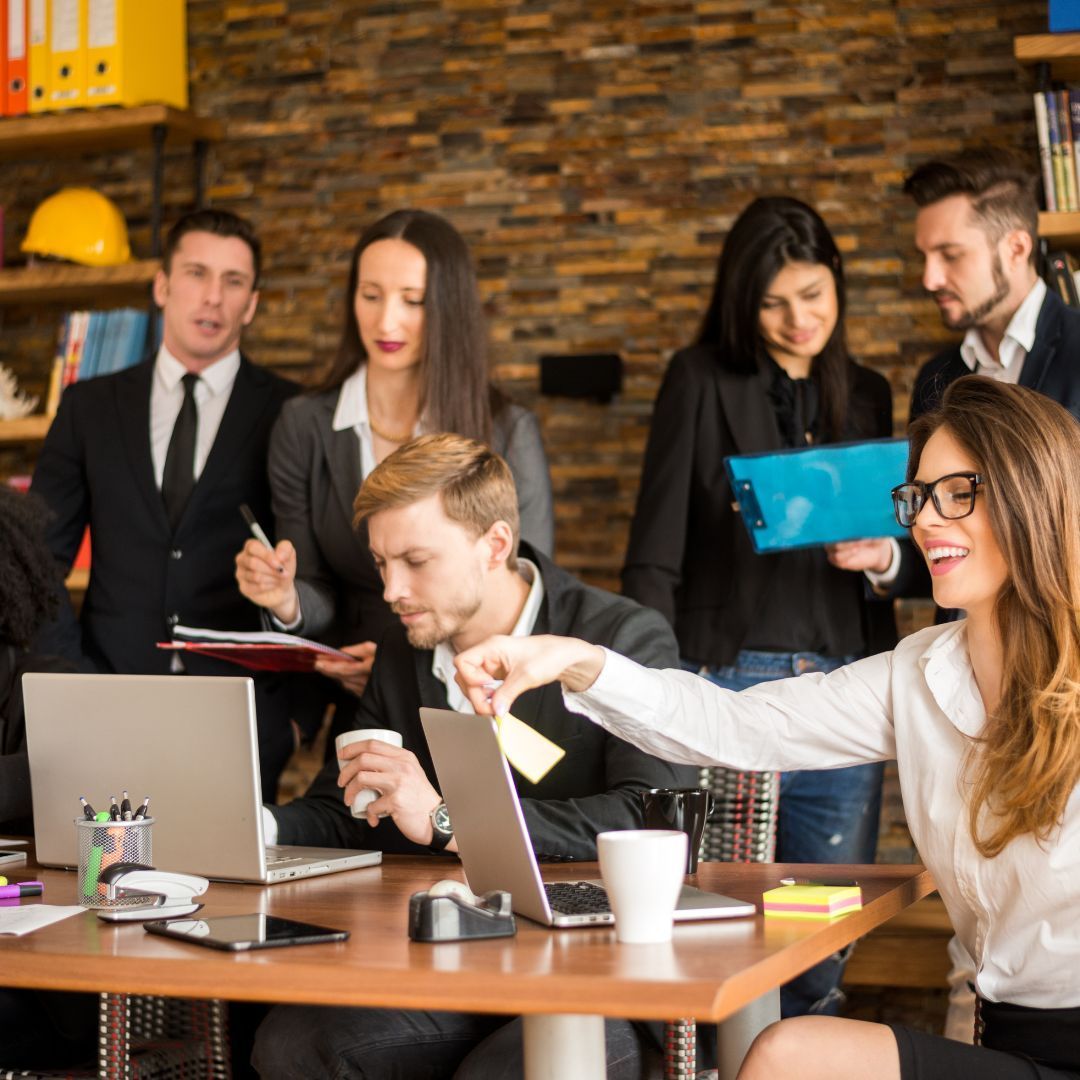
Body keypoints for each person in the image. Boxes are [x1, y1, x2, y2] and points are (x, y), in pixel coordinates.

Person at [458, 376, 1080, 1080]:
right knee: (785, 1053)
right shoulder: (918, 674)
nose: (926, 521)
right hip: (995, 1036)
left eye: (957, 493)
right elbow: (736, 725)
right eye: (918, 497)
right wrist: (575, 660)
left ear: (1034, 494)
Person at [252, 433, 696, 1080]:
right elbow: (346, 808)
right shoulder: (404, 648)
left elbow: (648, 819)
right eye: (380, 564)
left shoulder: (620, 638)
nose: (391, 590)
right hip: (446, 964)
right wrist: (254, 828)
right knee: (292, 1041)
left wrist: (447, 819)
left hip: (598, 977)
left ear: (494, 545)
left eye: (415, 560)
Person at [621, 195, 893, 1017]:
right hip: (727, 685)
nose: (797, 319)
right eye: (773, 303)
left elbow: (911, 551)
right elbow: (654, 549)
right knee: (721, 931)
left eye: (813, 296)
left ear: (837, 286)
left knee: (825, 938)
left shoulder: (873, 393)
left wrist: (883, 559)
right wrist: (650, 695)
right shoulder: (699, 380)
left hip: (846, 689)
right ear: (742, 301)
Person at [30, 208, 300, 800]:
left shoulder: (293, 412)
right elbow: (38, 563)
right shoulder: (89, 408)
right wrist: (73, 679)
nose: (213, 297)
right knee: (103, 880)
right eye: (197, 273)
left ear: (251, 302)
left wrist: (289, 710)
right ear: (162, 285)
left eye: (233, 282)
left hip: (242, 711)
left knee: (232, 887)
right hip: (107, 696)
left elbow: (311, 571)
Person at [234, 208, 553, 709]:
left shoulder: (505, 429)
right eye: (370, 296)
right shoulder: (305, 426)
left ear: (448, 309)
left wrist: (407, 668)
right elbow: (316, 588)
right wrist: (284, 598)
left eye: (413, 301)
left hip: (475, 694)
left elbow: (524, 589)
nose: (386, 321)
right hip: (356, 696)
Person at [830, 149, 1080, 594]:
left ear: (1017, 248)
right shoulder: (937, 375)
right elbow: (942, 538)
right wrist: (887, 557)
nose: (929, 278)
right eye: (925, 256)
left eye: (949, 255)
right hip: (963, 651)